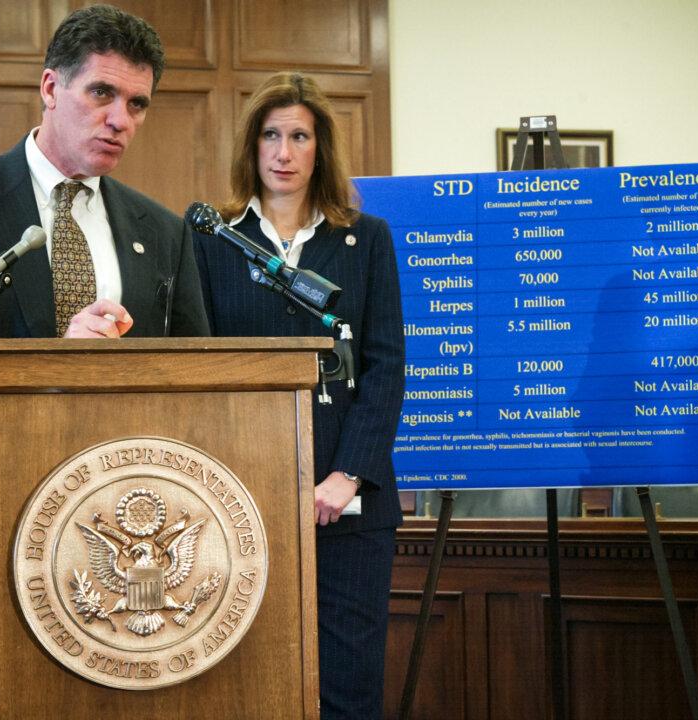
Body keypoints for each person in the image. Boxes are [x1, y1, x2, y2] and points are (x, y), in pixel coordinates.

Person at [0, 5, 208, 717]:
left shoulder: (161, 228)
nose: (120, 118)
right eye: (102, 94)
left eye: (137, 104)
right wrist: (57, 352)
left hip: (121, 528)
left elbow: (195, 369)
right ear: (50, 87)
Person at [192, 71, 404, 719]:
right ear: (252, 147)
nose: (283, 152)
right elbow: (195, 367)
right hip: (241, 498)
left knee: (348, 684)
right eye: (271, 136)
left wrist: (348, 475)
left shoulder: (365, 240)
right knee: (251, 681)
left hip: (349, 503)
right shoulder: (210, 237)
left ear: (321, 149)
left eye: (300, 136)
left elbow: (386, 365)